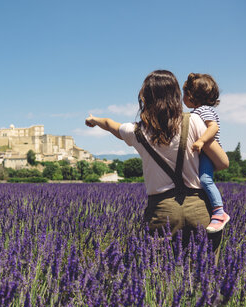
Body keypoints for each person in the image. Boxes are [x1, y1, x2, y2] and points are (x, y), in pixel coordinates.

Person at [85, 70, 229, 253]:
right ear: (176, 96)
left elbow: (109, 123)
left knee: (161, 276)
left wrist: (94, 120)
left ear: (145, 97)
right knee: (205, 276)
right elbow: (223, 162)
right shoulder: (194, 121)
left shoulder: (135, 131)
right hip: (199, 209)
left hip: (162, 212)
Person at [182, 73, 230, 233]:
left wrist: (201, 141)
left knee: (205, 179)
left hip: (208, 152)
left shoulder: (203, 110)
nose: (183, 98)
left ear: (192, 95)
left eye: (185, 94)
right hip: (203, 152)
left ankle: (219, 212)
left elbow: (213, 127)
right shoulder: (198, 111)